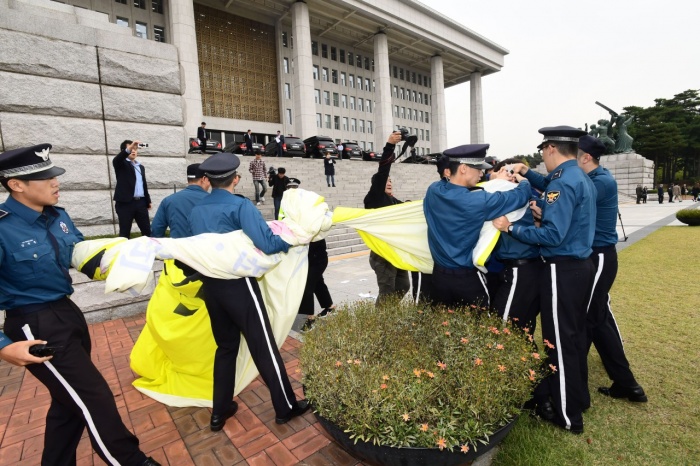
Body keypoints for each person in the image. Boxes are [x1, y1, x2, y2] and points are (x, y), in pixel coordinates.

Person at [0, 144, 159, 466]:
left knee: (67, 402)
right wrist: (2, 345)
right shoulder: (2, 228)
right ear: (16, 185)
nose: (55, 182)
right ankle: (131, 460)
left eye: (53, 174)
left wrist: (125, 260)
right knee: (93, 397)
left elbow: (79, 257)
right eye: (44, 177)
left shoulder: (58, 216)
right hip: (34, 324)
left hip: (67, 313)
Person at [187, 153, 309, 431]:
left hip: (211, 288)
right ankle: (285, 407)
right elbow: (266, 243)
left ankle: (219, 412)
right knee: (263, 346)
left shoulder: (197, 210)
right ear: (236, 179)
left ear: (208, 180)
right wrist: (291, 240)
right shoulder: (240, 205)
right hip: (238, 285)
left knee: (226, 348)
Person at [493, 126, 596, 435]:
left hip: (561, 268)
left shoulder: (562, 184)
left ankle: (567, 415)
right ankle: (578, 400)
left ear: (551, 148)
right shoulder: (579, 176)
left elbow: (552, 235)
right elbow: (558, 207)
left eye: (542, 152)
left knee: (559, 344)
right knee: (574, 337)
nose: (542, 158)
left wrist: (511, 229)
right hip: (580, 266)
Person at [576, 135, 647, 405]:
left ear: (585, 157)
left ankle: (571, 379)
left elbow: (573, 202)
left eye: (574, 155)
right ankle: (627, 385)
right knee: (599, 320)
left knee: (588, 320)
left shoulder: (601, 182)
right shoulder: (594, 179)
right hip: (595, 256)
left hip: (600, 257)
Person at [424, 144, 531, 308]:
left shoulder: (433, 191)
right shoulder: (478, 201)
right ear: (464, 168)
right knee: (477, 329)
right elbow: (520, 196)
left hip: (438, 278)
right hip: (466, 280)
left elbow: (450, 185)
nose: (482, 173)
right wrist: (523, 180)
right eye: (478, 168)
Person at [489, 158, 542, 333]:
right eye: (503, 171)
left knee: (502, 324)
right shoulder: (505, 193)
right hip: (523, 268)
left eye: (510, 172)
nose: (509, 175)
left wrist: (524, 180)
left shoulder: (509, 194)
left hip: (521, 270)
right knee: (522, 326)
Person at [364, 131, 411, 305]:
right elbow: (383, 170)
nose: (389, 182)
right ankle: (382, 323)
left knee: (404, 285)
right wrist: (390, 145)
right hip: (381, 254)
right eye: (386, 181)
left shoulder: (393, 201)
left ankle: (389, 312)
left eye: (391, 181)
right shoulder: (374, 198)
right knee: (387, 290)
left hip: (396, 251)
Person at [151, 163, 210, 238]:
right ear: (204, 179)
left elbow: (156, 231)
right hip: (203, 248)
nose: (210, 184)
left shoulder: (168, 200)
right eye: (209, 180)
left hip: (178, 248)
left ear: (188, 179)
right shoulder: (214, 201)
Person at [112, 139, 152, 238]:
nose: (133, 151)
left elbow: (143, 184)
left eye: (135, 149)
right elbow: (117, 159)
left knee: (147, 232)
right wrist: (128, 149)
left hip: (141, 203)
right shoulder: (120, 164)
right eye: (131, 149)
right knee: (124, 234)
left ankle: (150, 252)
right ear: (124, 151)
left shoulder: (140, 167)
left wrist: (148, 200)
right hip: (125, 204)